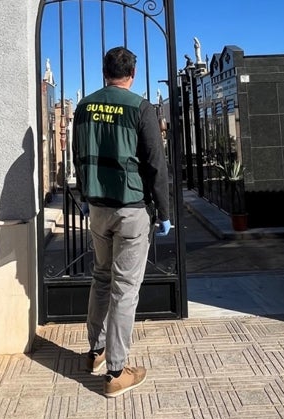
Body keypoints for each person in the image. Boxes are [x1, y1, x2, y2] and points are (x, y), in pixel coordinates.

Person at [72, 46, 171, 398]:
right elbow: (156, 164)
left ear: (104, 72)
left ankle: (95, 352)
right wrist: (165, 211)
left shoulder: (84, 106)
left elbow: (78, 156)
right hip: (131, 208)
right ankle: (116, 371)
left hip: (98, 207)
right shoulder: (141, 107)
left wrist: (86, 195)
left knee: (101, 277)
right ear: (132, 74)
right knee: (124, 289)